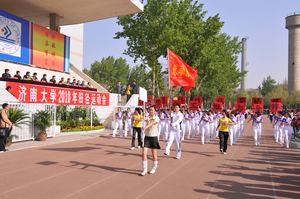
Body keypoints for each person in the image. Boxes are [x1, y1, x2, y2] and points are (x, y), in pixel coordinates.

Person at [141, 106, 160, 176]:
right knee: (144, 153)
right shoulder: (147, 117)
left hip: (153, 137)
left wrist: (145, 127)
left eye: (152, 110)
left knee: (153, 153)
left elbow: (152, 123)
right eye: (150, 110)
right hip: (147, 137)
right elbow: (143, 119)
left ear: (155, 111)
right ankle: (144, 169)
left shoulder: (157, 118)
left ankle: (154, 167)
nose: (151, 111)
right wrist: (142, 117)